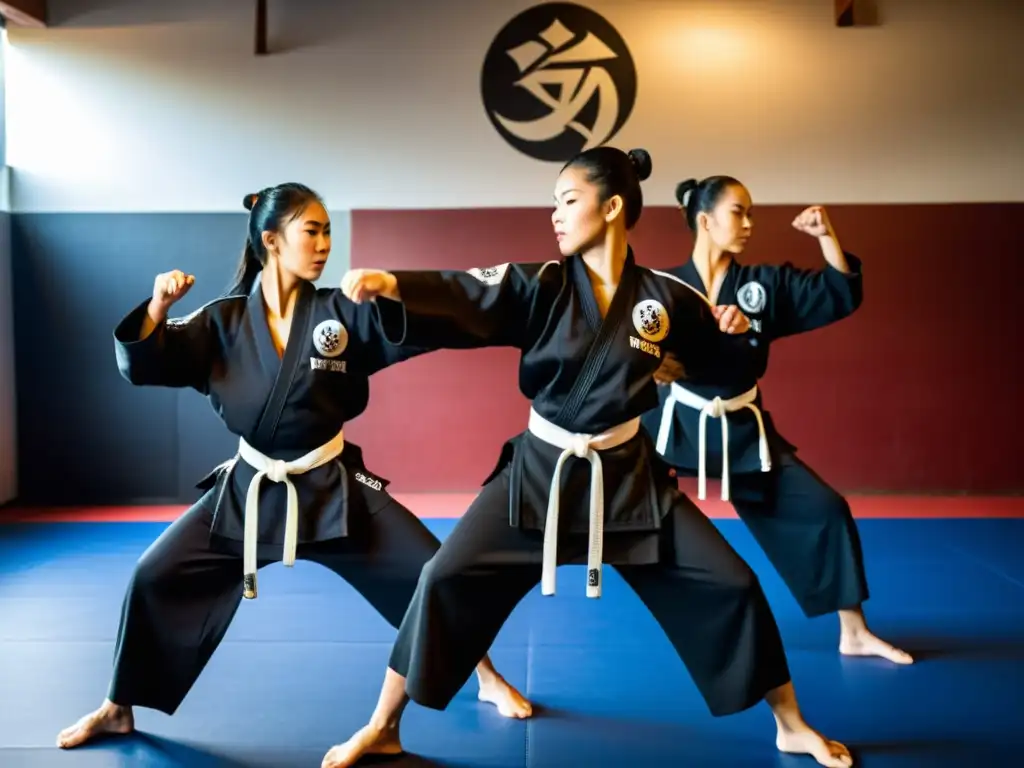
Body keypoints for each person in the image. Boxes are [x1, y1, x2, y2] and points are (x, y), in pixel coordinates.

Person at [322, 149, 854, 768]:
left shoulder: (667, 299)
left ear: (613, 207)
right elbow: (469, 295)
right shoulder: (543, 285)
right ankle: (384, 725)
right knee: (443, 579)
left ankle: (790, 723)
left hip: (630, 480)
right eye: (554, 203)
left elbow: (719, 364)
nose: (555, 215)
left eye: (567, 200)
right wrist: (395, 285)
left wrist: (737, 332)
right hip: (541, 475)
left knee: (730, 585)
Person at [55, 183, 531, 751]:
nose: (326, 243)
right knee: (154, 575)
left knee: (431, 572)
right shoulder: (221, 321)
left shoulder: (340, 313)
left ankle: (485, 676)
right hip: (250, 490)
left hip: (334, 488)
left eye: (329, 230)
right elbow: (146, 364)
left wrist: (395, 290)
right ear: (271, 240)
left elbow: (417, 325)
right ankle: (117, 706)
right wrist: (158, 310)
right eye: (313, 230)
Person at [640, 175, 912, 665]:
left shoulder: (764, 286)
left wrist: (826, 236)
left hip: (742, 431)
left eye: (751, 213)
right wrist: (656, 362)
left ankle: (853, 631)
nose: (749, 223)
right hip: (671, 427)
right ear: (705, 220)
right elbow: (630, 345)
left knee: (824, 508)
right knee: (613, 496)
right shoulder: (663, 287)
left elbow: (836, 292)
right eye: (738, 212)